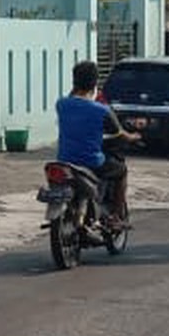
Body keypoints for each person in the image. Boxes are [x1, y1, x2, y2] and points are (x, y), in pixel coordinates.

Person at [56, 60, 138, 226]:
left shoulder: (61, 104)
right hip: (92, 162)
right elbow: (120, 133)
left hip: (65, 160)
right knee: (121, 171)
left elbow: (73, 98)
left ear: (74, 82)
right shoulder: (101, 110)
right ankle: (116, 216)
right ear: (95, 83)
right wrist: (133, 137)